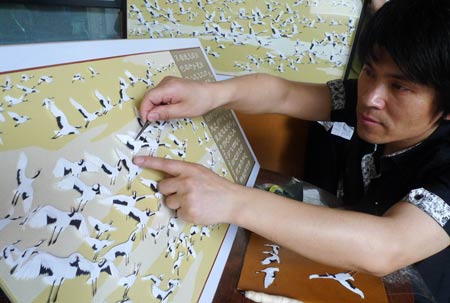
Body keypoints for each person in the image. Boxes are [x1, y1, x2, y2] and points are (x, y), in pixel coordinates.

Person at [133, 0, 450, 301]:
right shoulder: (368, 103)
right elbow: (282, 94)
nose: (371, 98)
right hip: (340, 268)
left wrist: (231, 201)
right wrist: (210, 93)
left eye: (400, 86)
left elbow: (387, 246)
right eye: (369, 70)